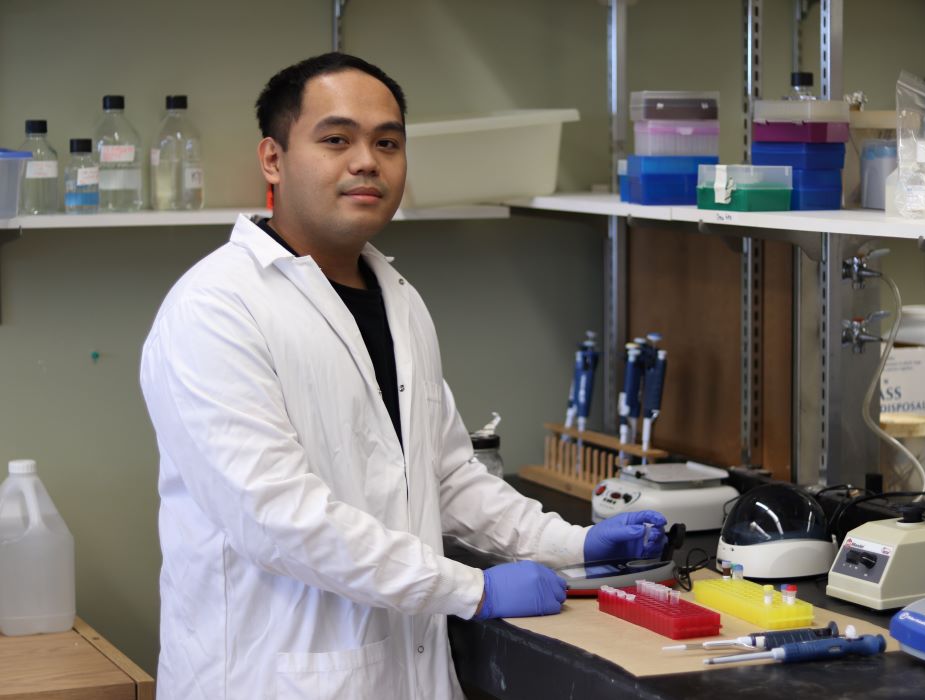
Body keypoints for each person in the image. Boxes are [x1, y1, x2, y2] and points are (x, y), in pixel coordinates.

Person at [139, 52, 668, 700]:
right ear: (272, 159)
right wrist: (470, 589)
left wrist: (572, 545)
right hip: (270, 680)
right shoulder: (215, 309)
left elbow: (442, 476)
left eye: (387, 142)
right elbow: (278, 518)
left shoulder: (398, 298)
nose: (367, 161)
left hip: (404, 675)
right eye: (336, 139)